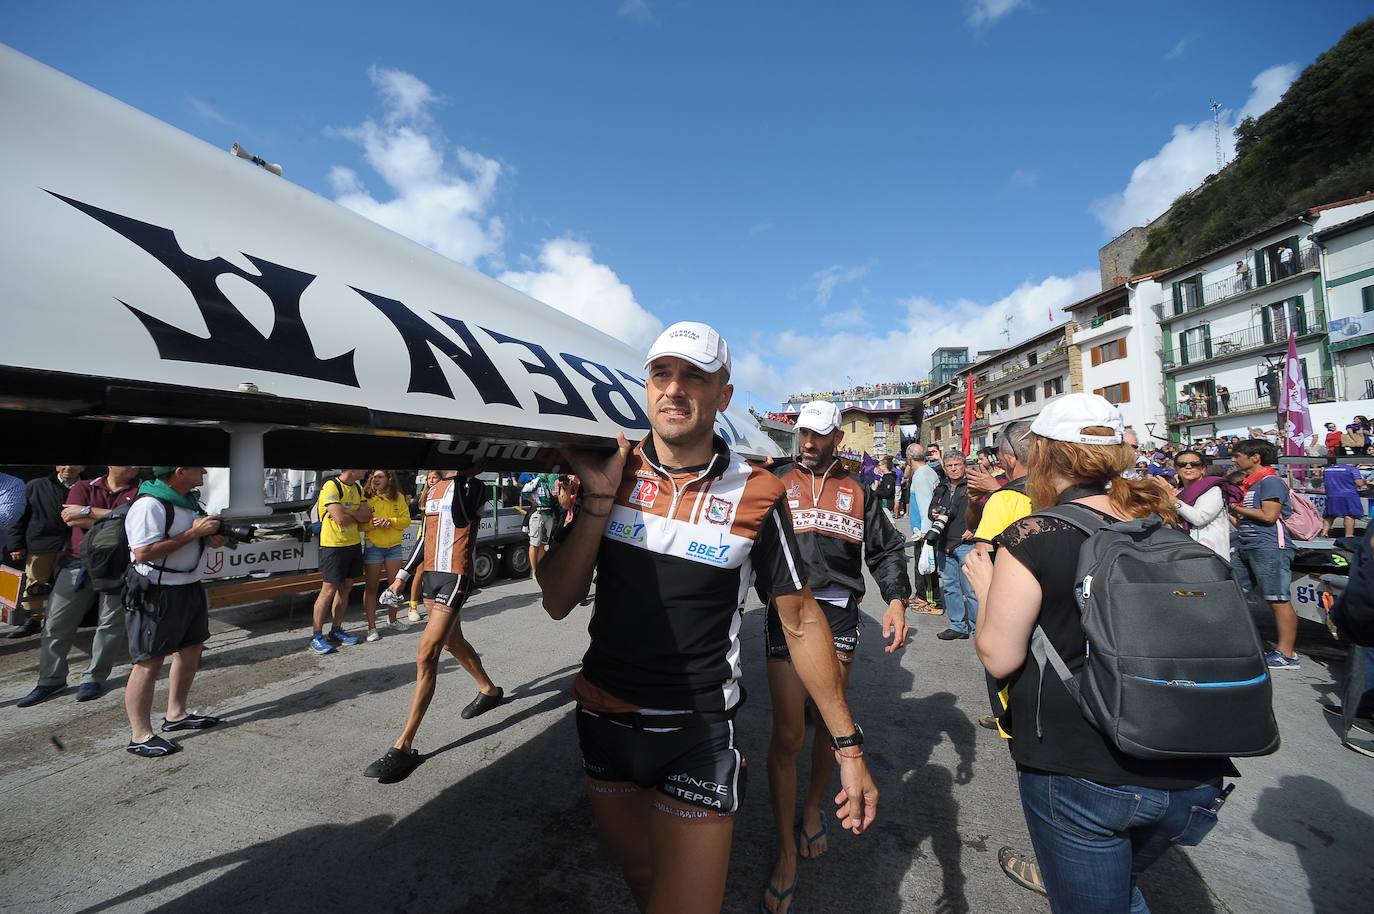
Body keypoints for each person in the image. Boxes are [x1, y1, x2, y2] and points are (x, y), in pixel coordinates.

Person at [535, 321, 877, 914]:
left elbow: (798, 622)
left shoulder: (761, 491)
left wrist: (848, 748)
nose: (674, 389)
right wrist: (595, 501)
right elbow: (557, 600)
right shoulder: (612, 472)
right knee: (642, 877)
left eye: (694, 375)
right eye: (662, 373)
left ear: (723, 394)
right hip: (603, 719)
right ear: (646, 387)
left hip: (697, 732)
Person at [963, 393, 1234, 913]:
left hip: (1084, 767)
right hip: (1191, 764)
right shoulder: (1161, 524)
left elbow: (999, 656)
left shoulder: (1033, 534)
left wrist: (984, 589)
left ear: (1042, 456)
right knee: (1118, 893)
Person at [762, 399, 909, 912]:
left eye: (819, 435)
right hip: (785, 607)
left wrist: (895, 598)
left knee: (827, 725)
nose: (808, 442)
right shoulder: (776, 479)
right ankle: (785, 853)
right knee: (787, 733)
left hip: (841, 611)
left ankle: (810, 809)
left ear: (837, 439)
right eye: (803, 433)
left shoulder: (859, 489)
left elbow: (886, 550)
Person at [364, 470, 503, 781]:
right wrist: (401, 578)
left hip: (455, 576)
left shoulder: (472, 485)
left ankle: (404, 746)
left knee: (427, 654)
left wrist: (454, 476)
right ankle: (489, 690)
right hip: (430, 576)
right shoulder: (435, 489)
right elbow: (425, 538)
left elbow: (463, 514)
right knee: (453, 642)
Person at [15, 466, 140, 707]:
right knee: (55, 623)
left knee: (110, 626)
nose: (134, 466)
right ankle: (50, 680)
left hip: (118, 568)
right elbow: (70, 518)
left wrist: (89, 513)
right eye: (129, 461)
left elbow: (136, 521)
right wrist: (117, 517)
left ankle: (94, 677)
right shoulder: (85, 486)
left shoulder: (140, 492)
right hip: (76, 565)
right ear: (111, 464)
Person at [123, 466, 225, 757]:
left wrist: (212, 537)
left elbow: (195, 539)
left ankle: (176, 715)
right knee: (149, 661)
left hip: (188, 585)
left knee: (192, 649)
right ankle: (140, 735)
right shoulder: (149, 505)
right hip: (157, 590)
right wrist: (193, 533)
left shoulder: (189, 501)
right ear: (179, 472)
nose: (205, 471)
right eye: (198, 467)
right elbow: (143, 552)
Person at [1229, 439, 1300, 670]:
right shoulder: (1252, 483)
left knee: (1277, 598)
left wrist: (1235, 508)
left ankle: (1287, 654)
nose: (1234, 459)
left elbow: (1269, 516)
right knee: (1234, 592)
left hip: (1269, 546)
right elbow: (1246, 520)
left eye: (1238, 455)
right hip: (1248, 545)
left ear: (1255, 457)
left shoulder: (1270, 482)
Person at [6, 465, 83, 638]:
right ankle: (33, 621)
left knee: (69, 585)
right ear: (56, 466)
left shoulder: (88, 486)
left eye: (74, 464)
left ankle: (60, 620)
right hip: (41, 543)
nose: (68, 467)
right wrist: (16, 544)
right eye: (64, 463)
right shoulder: (36, 485)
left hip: (74, 546)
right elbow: (20, 516)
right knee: (33, 585)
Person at [309, 469, 371, 655]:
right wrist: (353, 513)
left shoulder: (358, 488)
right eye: (363, 468)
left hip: (353, 544)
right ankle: (316, 636)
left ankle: (336, 630)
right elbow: (340, 519)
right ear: (351, 469)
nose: (366, 471)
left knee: (346, 587)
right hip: (333, 546)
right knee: (328, 590)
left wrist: (347, 510)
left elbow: (366, 516)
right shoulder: (331, 485)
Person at [925, 454, 976, 639]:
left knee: (971, 590)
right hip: (944, 543)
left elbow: (987, 510)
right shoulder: (941, 488)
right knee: (950, 587)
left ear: (964, 465)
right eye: (949, 465)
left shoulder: (974, 486)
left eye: (957, 464)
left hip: (966, 543)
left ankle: (978, 629)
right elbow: (932, 511)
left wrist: (976, 528)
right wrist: (933, 513)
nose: (953, 468)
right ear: (944, 468)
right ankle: (958, 626)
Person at [361, 469, 411, 641]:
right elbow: (360, 524)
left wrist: (390, 521)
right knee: (371, 588)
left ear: (389, 479)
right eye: (373, 477)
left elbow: (406, 520)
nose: (375, 479)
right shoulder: (365, 496)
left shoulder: (398, 496)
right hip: (373, 546)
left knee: (395, 587)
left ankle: (393, 620)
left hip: (394, 547)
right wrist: (371, 524)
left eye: (380, 477)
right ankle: (371, 628)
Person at [1159, 451, 1233, 558]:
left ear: (1203, 469)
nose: (1188, 467)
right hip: (1188, 551)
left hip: (1211, 554)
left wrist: (1172, 499)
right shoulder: (1181, 493)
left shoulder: (1213, 490)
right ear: (1176, 469)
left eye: (1195, 464)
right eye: (1182, 464)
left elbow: (1199, 518)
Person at [522, 471, 560, 575]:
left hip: (548, 513)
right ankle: (534, 570)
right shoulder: (536, 480)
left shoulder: (547, 481)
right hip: (538, 513)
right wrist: (532, 501)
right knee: (534, 543)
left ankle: (541, 569)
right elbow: (524, 491)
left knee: (543, 543)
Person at [1321, 456, 1366, 538]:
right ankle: (1349, 535)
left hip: (1332, 495)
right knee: (1349, 515)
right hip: (1349, 495)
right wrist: (1365, 481)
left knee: (1329, 515)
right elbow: (1359, 483)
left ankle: (1324, 533)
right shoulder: (1352, 469)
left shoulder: (1327, 469)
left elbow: (1324, 481)